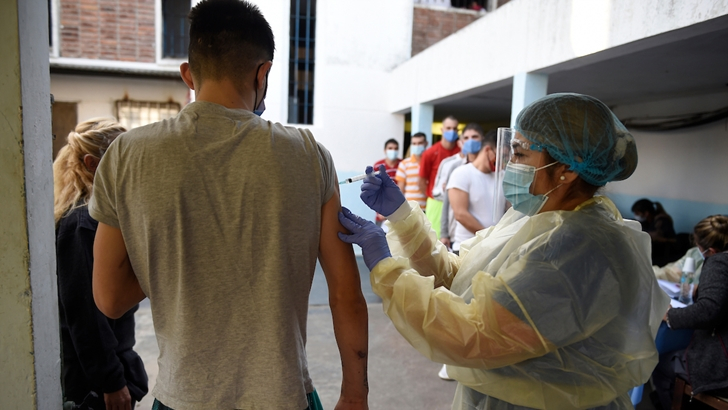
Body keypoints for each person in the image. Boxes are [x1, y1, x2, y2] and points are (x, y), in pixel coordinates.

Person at [88, 1, 369, 409]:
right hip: (284, 397)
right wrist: (355, 395)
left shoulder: (127, 155)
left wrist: (173, 258)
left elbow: (109, 298)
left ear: (189, 74)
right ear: (263, 73)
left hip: (182, 399)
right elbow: (346, 294)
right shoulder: (309, 155)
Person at [339, 93, 670, 409]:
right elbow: (461, 278)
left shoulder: (576, 247)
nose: (510, 164)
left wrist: (387, 268)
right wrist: (402, 216)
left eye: (521, 155)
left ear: (567, 169)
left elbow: (474, 335)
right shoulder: (537, 219)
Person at [53, 118, 148, 410]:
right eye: (122, 158)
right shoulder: (81, 224)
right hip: (94, 386)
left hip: (111, 368)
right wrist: (112, 381)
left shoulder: (99, 219)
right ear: (92, 164)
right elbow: (85, 316)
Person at [652, 215, 728, 410]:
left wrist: (669, 315)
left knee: (661, 364)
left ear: (711, 251)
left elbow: (708, 310)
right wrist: (702, 290)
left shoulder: (718, 262)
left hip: (722, 367)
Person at [433, 125, 486, 250]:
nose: (470, 141)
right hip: (456, 234)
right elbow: (447, 203)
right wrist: (444, 233)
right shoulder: (455, 167)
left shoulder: (491, 168)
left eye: (474, 137)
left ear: (482, 139)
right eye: (466, 138)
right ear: (461, 142)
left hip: (484, 234)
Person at [446, 128, 497, 253]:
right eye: (501, 155)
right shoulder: (461, 173)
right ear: (488, 150)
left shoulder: (501, 175)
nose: (502, 161)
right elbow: (460, 214)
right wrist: (489, 238)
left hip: (494, 249)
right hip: (467, 248)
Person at [419, 115, 461, 239]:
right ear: (442, 130)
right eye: (448, 128)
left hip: (456, 202)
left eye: (454, 128)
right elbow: (421, 181)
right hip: (436, 203)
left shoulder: (462, 152)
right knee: (434, 240)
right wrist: (434, 195)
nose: (452, 131)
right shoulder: (430, 153)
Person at [632, 198, 677, 266]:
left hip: (665, 255)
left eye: (637, 213)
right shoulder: (648, 221)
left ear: (646, 213)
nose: (636, 215)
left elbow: (656, 237)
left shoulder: (662, 220)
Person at [396, 132, 428, 211]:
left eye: (420, 143)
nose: (417, 146)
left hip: (427, 208)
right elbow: (400, 190)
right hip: (410, 209)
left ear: (426, 143)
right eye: (414, 143)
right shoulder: (404, 164)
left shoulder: (430, 163)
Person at [373, 139, 401, 226]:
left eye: (395, 148)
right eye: (390, 148)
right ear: (385, 150)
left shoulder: (402, 164)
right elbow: (375, 190)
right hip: (382, 212)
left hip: (398, 211)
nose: (393, 151)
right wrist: (380, 211)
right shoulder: (378, 166)